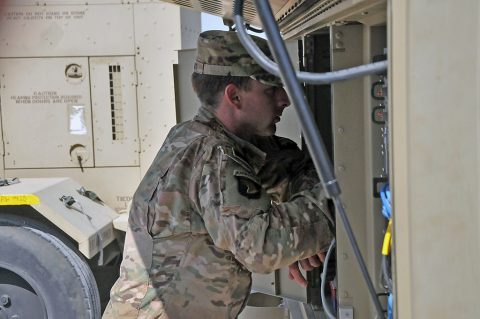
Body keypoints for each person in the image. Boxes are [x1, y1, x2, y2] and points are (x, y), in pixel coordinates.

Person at [103, 30, 334, 319]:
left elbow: (292, 168)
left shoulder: (200, 138)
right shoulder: (213, 154)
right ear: (234, 96)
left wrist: (300, 243)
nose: (284, 99)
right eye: (271, 89)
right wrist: (327, 207)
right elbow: (262, 247)